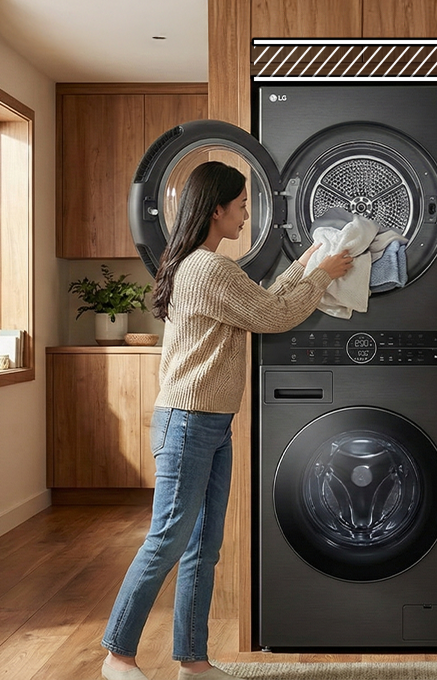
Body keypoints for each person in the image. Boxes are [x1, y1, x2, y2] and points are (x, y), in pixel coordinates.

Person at [101, 161, 353, 680]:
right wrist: (322, 276)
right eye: (240, 205)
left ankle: (193, 662)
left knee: (202, 546)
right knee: (169, 538)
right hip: (188, 423)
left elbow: (258, 304)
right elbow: (272, 318)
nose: (246, 215)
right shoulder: (207, 269)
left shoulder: (206, 267)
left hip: (209, 423)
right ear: (215, 209)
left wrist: (304, 266)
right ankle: (117, 656)